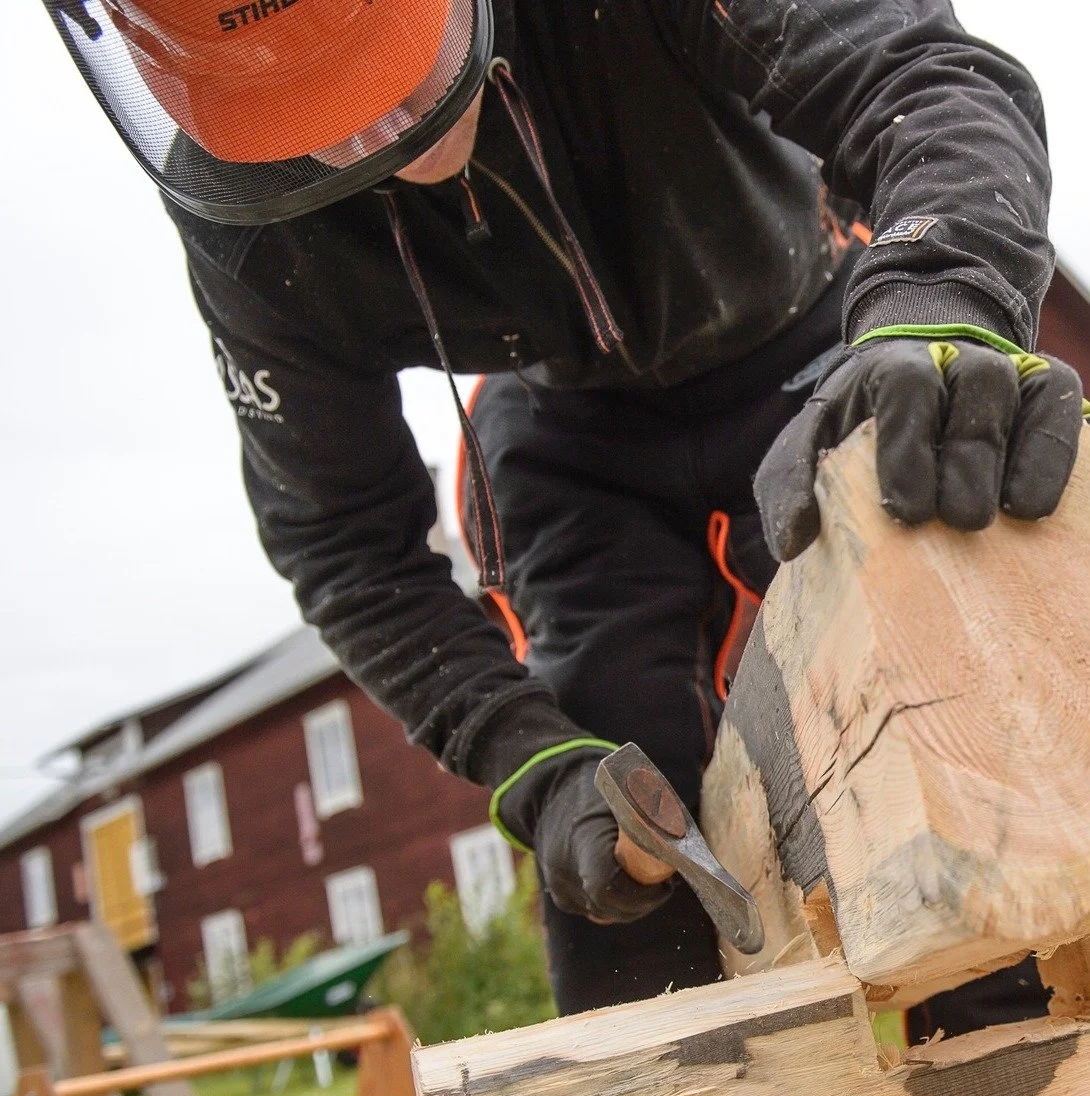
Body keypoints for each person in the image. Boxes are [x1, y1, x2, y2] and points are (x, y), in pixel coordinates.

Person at [46, 0, 1084, 1024]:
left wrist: (940, 297)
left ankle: (1002, 1033)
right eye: (303, 117)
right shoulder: (243, 219)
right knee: (609, 772)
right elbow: (344, 544)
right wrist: (527, 762)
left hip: (797, 319)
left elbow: (925, 80)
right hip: (564, 426)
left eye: (392, 75)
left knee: (905, 618)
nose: (376, 137)